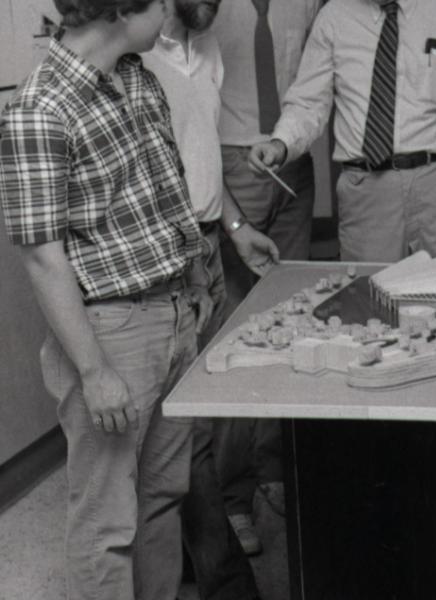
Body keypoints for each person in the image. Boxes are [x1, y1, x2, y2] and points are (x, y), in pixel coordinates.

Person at [0, 1, 208, 598]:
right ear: (123, 8)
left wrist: (191, 287)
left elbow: (166, 194)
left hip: (171, 312)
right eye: (163, 3)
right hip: (110, 333)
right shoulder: (39, 110)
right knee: (105, 524)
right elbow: (42, 258)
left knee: (163, 499)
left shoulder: (137, 79)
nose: (171, 12)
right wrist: (93, 372)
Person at [142, 0, 274, 596]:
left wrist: (238, 230)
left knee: (199, 421)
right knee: (185, 437)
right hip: (169, 263)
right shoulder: (134, 57)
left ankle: (201, 564)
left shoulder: (209, 47)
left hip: (209, 244)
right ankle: (228, 581)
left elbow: (200, 161)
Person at [247, 0, 436, 266]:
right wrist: (280, 144)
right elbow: (308, 103)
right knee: (367, 299)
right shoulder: (333, 17)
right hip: (367, 192)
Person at [206, 0, 323, 557]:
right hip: (230, 159)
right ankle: (233, 497)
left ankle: (277, 466)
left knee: (293, 321)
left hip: (293, 159)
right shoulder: (200, 8)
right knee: (233, 335)